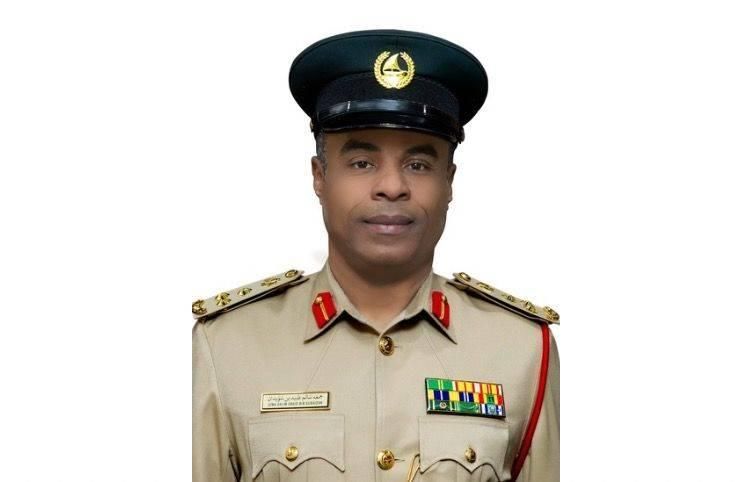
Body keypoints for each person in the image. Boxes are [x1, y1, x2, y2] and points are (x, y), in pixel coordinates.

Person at [192, 29, 560, 482]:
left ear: (449, 182)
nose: (392, 186)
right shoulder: (226, 346)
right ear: (319, 177)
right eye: (362, 162)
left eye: (419, 164)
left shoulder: (522, 349)